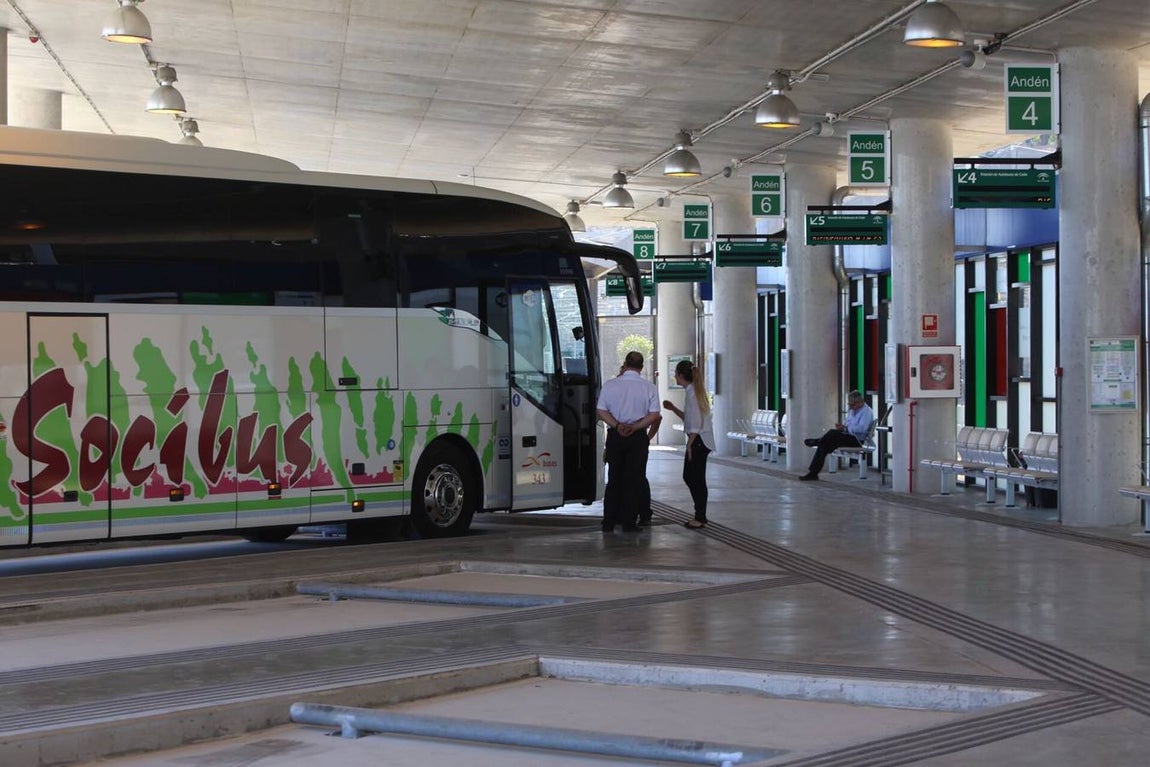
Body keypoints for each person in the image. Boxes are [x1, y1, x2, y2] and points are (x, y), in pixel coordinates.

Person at [596, 351, 661, 532]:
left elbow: (601, 410)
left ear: (625, 364)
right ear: (641, 367)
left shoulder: (610, 385)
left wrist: (617, 426)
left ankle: (608, 521)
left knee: (614, 478)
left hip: (616, 437)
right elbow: (654, 414)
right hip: (638, 438)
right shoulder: (649, 387)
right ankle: (629, 523)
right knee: (633, 480)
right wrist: (636, 427)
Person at [662, 359, 713, 529]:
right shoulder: (693, 392)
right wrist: (674, 408)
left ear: (681, 375)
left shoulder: (692, 395)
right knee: (694, 477)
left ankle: (700, 516)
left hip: (697, 441)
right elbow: (689, 419)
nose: (675, 377)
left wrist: (690, 445)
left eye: (676, 374)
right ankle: (700, 514)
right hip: (699, 440)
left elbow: (696, 425)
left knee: (694, 478)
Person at [798, 390, 875, 481]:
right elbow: (847, 422)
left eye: (852, 405)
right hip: (847, 436)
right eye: (849, 404)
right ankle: (813, 473)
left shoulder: (867, 412)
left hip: (857, 440)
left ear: (860, 402)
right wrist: (842, 427)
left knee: (831, 433)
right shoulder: (852, 410)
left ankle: (817, 442)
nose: (850, 407)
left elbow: (862, 429)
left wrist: (846, 428)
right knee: (824, 445)